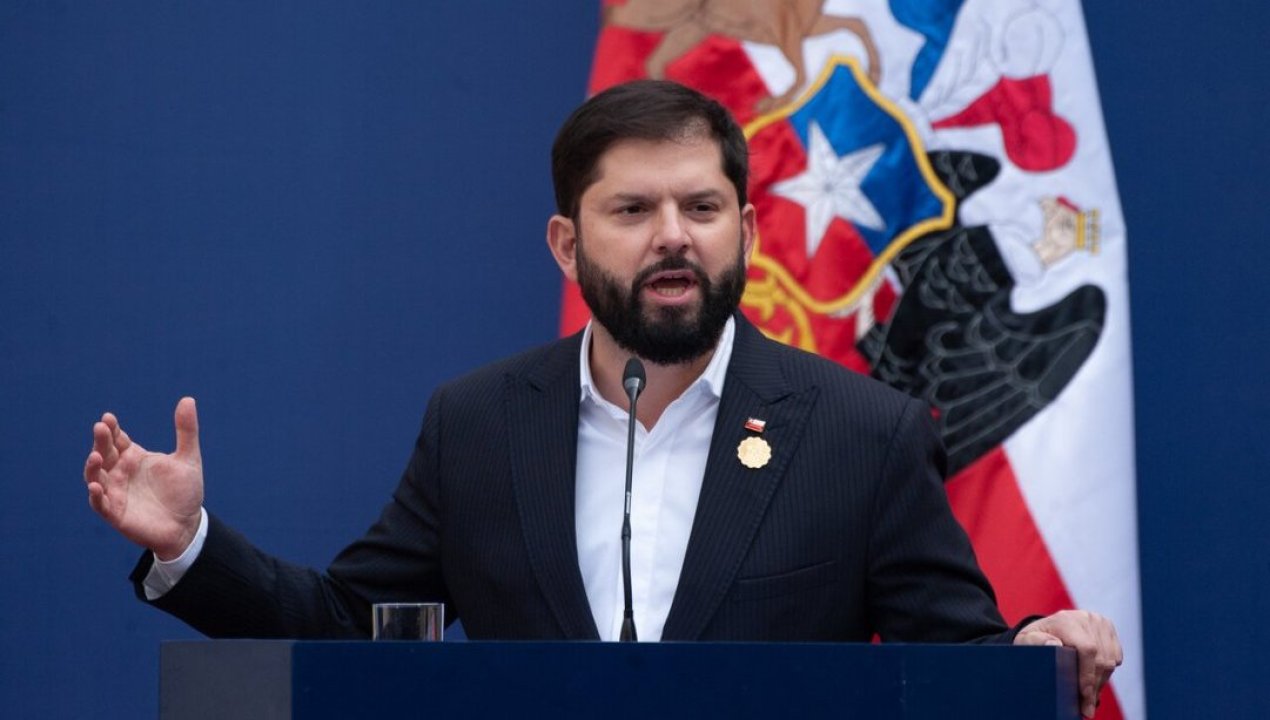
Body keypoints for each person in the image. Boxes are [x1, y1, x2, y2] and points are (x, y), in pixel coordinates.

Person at [84, 80, 1120, 717]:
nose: (673, 235)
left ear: (748, 233)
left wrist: (1032, 652)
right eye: (632, 209)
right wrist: (190, 546)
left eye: (702, 206)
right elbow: (355, 626)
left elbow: (956, 659)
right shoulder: (478, 426)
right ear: (566, 244)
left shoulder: (863, 432)